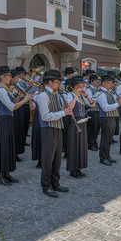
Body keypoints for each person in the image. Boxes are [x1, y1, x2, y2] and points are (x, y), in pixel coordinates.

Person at [37, 69, 72, 198]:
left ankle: (55, 182)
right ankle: (46, 186)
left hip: (58, 128)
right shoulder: (43, 95)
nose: (59, 85)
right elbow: (45, 116)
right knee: (48, 159)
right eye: (57, 82)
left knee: (57, 159)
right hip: (48, 130)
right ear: (49, 82)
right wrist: (64, 113)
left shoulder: (56, 95)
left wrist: (64, 109)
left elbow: (56, 112)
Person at [0, 66, 31, 186]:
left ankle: (7, 173)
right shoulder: (0, 90)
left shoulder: (5, 89)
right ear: (2, 77)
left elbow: (12, 103)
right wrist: (25, 100)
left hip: (9, 119)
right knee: (4, 147)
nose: (11, 78)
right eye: (9, 76)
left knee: (9, 147)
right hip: (4, 120)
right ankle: (1, 175)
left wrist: (19, 96)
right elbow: (11, 107)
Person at [65, 76, 95, 178]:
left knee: (81, 146)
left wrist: (86, 95)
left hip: (82, 122)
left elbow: (93, 104)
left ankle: (78, 168)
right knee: (74, 146)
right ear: (77, 86)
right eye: (82, 84)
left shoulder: (82, 96)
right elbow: (70, 108)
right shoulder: (69, 95)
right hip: (74, 123)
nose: (84, 85)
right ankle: (72, 170)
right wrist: (76, 96)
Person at [97, 75, 121, 166]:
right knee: (105, 138)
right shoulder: (101, 94)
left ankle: (107, 155)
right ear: (103, 83)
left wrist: (118, 100)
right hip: (106, 118)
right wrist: (117, 104)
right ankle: (103, 157)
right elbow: (105, 108)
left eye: (111, 83)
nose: (111, 85)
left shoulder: (109, 93)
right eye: (109, 83)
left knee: (109, 139)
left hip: (112, 117)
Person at [16, 67, 31, 148]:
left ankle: (24, 139)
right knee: (21, 125)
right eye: (23, 73)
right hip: (20, 105)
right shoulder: (17, 82)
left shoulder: (24, 82)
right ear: (20, 74)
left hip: (26, 104)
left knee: (26, 124)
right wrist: (29, 86)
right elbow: (22, 91)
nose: (25, 75)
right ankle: (21, 140)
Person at [85, 74, 101, 151]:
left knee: (97, 127)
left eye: (97, 81)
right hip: (92, 111)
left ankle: (95, 142)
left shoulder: (98, 89)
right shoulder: (88, 89)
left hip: (98, 110)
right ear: (91, 81)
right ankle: (90, 144)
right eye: (95, 81)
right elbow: (89, 101)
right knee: (92, 128)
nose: (97, 82)